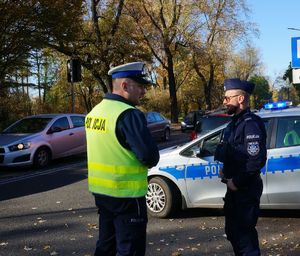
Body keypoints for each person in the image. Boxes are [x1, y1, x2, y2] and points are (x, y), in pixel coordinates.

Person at [85, 61, 160, 256]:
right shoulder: (129, 114)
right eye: (140, 86)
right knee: (129, 249)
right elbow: (149, 156)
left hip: (102, 193)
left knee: (106, 246)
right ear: (125, 86)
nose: (143, 92)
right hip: (127, 196)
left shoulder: (95, 112)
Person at [214, 78, 267, 256]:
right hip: (235, 190)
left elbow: (255, 160)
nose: (224, 101)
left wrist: (236, 181)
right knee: (233, 233)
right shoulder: (236, 123)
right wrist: (226, 168)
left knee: (245, 239)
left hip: (245, 189)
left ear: (241, 99)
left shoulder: (250, 123)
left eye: (227, 98)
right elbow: (235, 152)